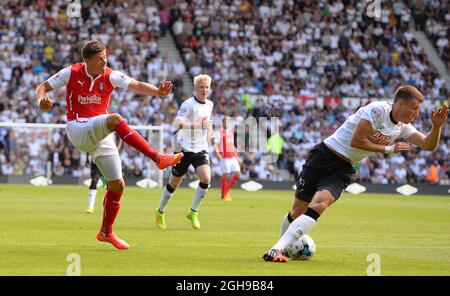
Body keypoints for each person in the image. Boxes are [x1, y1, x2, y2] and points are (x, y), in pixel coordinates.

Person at [262, 85, 449, 262]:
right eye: (414, 108)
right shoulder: (378, 110)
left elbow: (428, 145)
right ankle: (280, 248)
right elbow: (357, 141)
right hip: (323, 155)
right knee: (297, 210)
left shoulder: (402, 127)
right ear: (399, 103)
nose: (416, 113)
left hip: (343, 168)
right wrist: (389, 149)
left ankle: (277, 249)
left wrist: (437, 126)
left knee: (321, 203)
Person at [35, 40, 184, 250]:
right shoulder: (71, 72)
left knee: (117, 185)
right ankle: (157, 158)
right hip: (78, 128)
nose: (104, 62)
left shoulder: (111, 75)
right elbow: (42, 87)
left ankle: (106, 232)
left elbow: (137, 85)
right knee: (114, 118)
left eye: (105, 57)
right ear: (87, 61)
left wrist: (158, 93)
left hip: (100, 133)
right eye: (99, 59)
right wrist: (42, 101)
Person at [155, 74, 214, 230]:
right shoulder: (188, 104)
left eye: (207, 87)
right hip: (184, 148)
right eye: (202, 87)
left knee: (206, 178)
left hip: (201, 148)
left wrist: (210, 131)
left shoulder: (209, 105)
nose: (204, 89)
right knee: (174, 184)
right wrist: (197, 126)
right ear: (195, 88)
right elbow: (177, 123)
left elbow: (207, 123)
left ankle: (193, 212)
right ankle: (160, 211)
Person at [215, 117, 241, 202]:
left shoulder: (230, 132)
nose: (227, 123)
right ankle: (224, 194)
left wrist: (237, 157)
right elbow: (215, 145)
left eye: (228, 121)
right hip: (225, 157)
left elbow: (232, 146)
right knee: (226, 175)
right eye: (225, 121)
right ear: (223, 122)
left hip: (232, 156)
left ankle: (226, 191)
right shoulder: (219, 132)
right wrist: (218, 154)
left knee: (237, 174)